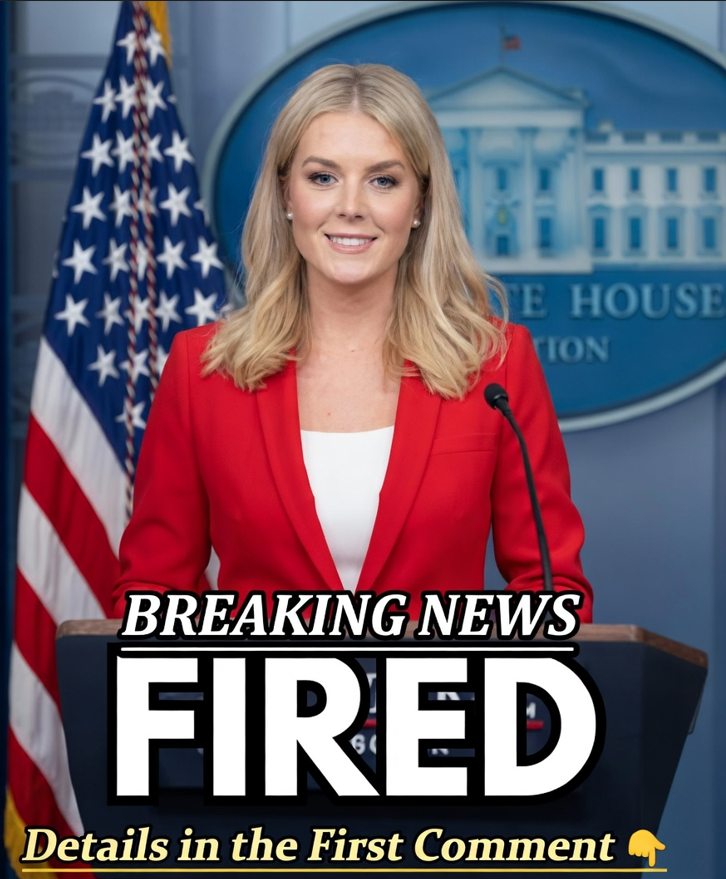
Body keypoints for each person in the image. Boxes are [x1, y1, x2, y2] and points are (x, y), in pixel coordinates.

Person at [112, 63, 592, 622]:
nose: (351, 206)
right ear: (285, 193)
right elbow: (153, 592)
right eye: (323, 177)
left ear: (419, 204)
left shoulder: (497, 364)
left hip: (440, 704)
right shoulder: (203, 369)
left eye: (383, 180)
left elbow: (552, 592)